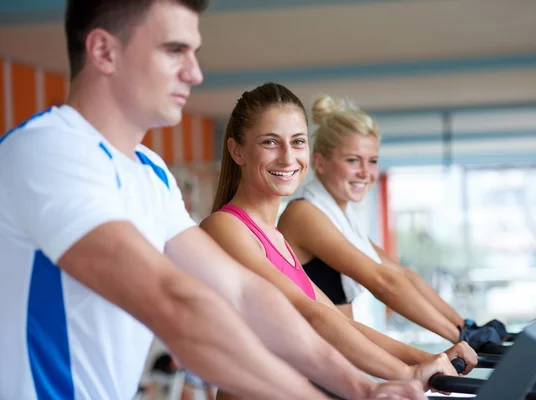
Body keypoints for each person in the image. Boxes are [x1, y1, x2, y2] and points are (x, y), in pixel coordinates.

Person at [0, 2, 422, 399]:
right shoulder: (48, 151)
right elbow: (174, 302)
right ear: (104, 51)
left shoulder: (150, 171)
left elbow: (244, 293)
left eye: (194, 52)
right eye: (174, 51)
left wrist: (364, 390)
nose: (195, 73)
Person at [200, 83, 478, 399]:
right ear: (238, 151)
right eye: (270, 142)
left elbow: (336, 320)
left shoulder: (276, 237)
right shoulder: (225, 228)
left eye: (297, 142)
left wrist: (426, 359)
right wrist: (406, 373)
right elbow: (308, 315)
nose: (288, 157)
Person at [277, 94, 507, 352]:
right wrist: (459, 337)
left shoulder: (342, 220)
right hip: (301, 363)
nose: (366, 173)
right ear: (319, 162)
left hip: (334, 358)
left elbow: (403, 275)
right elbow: (382, 282)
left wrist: (465, 325)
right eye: (353, 160)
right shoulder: (304, 214)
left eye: (372, 161)